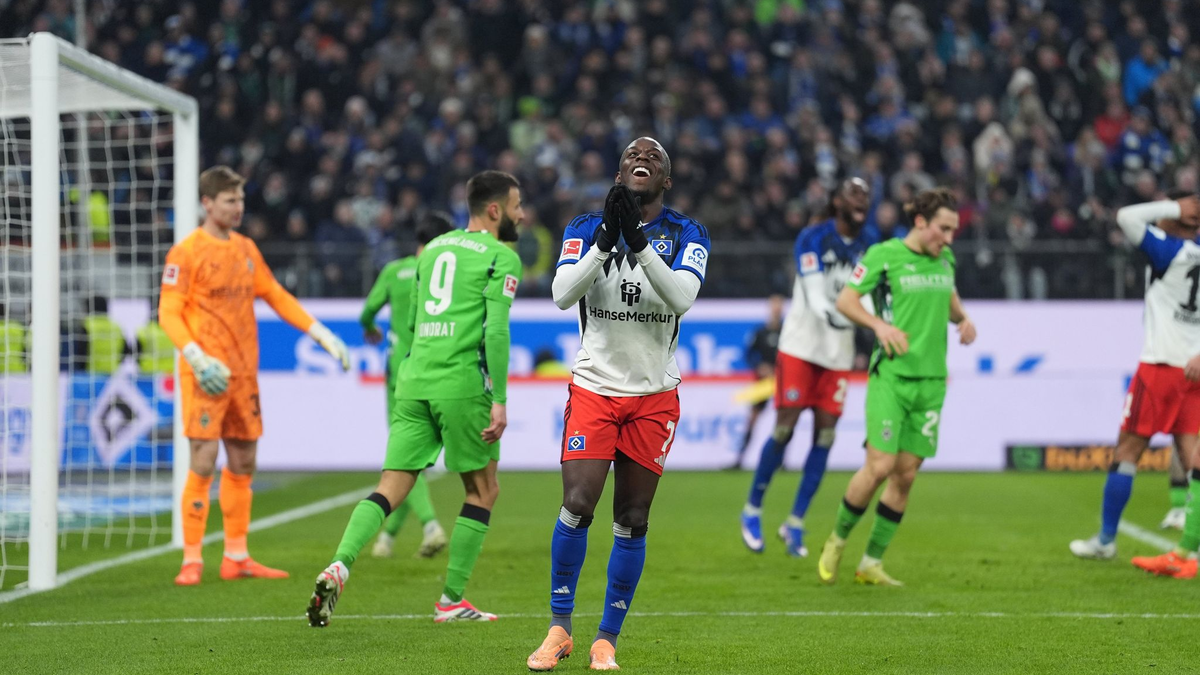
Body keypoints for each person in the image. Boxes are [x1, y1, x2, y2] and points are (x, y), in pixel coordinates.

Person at [307, 170, 523, 626]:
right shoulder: (501, 256)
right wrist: (500, 398)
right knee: (483, 489)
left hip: (411, 381)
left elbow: (415, 320)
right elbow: (497, 330)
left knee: (391, 485)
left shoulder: (431, 252)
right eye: (517, 206)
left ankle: (340, 563)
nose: (522, 215)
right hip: (461, 384)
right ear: (495, 210)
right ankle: (450, 601)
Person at [526, 137, 710, 671]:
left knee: (632, 516)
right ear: (619, 171)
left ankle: (606, 637)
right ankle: (559, 628)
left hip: (653, 395)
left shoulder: (688, 233)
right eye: (633, 155)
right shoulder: (584, 230)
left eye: (653, 158)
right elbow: (562, 293)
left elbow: (680, 298)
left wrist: (638, 241)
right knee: (578, 503)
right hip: (594, 388)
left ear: (666, 180)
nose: (642, 159)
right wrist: (609, 239)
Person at [160, 166, 351, 586]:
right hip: (206, 373)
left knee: (244, 459)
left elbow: (277, 296)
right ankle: (192, 558)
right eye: (230, 200)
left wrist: (320, 333)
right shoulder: (186, 252)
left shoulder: (246, 249)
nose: (238, 208)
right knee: (204, 460)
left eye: (241, 200)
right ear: (207, 203)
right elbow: (169, 312)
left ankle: (237, 556)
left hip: (243, 374)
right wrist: (194, 356)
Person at [816, 187, 976, 586]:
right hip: (891, 376)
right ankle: (836, 540)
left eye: (954, 231)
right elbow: (847, 301)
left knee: (905, 475)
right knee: (880, 466)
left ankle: (871, 563)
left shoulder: (946, 258)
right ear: (921, 222)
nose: (949, 238)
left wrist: (963, 320)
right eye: (944, 229)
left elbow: (950, 298)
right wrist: (879, 326)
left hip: (932, 382)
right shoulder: (883, 256)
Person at [740, 178, 877, 557]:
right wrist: (853, 319)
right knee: (785, 427)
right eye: (853, 195)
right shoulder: (813, 238)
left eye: (865, 195)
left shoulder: (871, 246)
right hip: (801, 347)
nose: (860, 201)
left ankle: (795, 522)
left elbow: (879, 296)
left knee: (826, 437)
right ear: (836, 201)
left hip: (838, 355)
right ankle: (752, 510)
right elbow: (817, 297)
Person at [1065, 192, 1200, 565]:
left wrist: (1174, 208)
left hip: (1159, 367)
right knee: (1194, 460)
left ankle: (1106, 540)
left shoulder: (1169, 251)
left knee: (1127, 451)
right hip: (1194, 370)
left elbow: (1126, 217)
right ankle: (1193, 542)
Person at [361, 212, 454, 560]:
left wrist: (370, 329)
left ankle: (430, 525)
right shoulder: (450, 273)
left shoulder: (396, 271)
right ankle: (387, 538)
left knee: (403, 459)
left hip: (401, 375)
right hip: (440, 369)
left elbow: (366, 312)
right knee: (414, 460)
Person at [726, 295, 783, 471]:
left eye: (779, 306)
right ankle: (739, 459)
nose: (776, 309)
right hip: (764, 383)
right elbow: (748, 355)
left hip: (782, 382)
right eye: (774, 306)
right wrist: (760, 367)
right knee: (752, 419)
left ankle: (780, 461)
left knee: (784, 421)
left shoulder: (788, 332)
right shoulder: (760, 333)